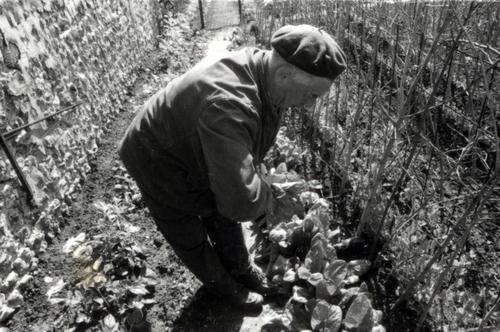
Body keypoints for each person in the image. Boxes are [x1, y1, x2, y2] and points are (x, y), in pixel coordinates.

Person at [118, 24, 347, 309]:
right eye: (311, 95)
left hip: (193, 142)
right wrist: (267, 193)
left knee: (220, 202)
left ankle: (241, 270)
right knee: (188, 232)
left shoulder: (265, 73)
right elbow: (240, 203)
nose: (310, 105)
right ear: (284, 74)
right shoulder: (229, 104)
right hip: (156, 155)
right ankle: (223, 288)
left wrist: (251, 183)